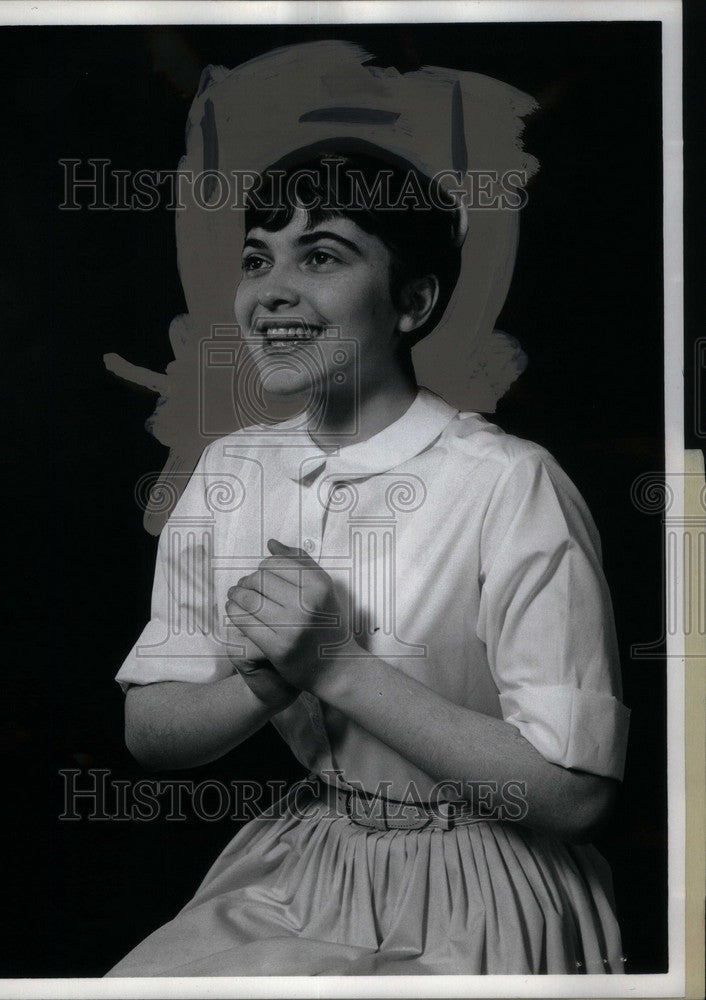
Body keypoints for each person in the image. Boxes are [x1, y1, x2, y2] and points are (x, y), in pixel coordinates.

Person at [105, 148, 630, 977]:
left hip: (487, 880)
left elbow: (576, 794)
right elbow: (149, 731)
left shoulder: (509, 482)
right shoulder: (230, 470)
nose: (270, 291)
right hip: (305, 861)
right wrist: (267, 683)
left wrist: (335, 665)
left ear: (412, 302)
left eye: (320, 255)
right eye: (256, 258)